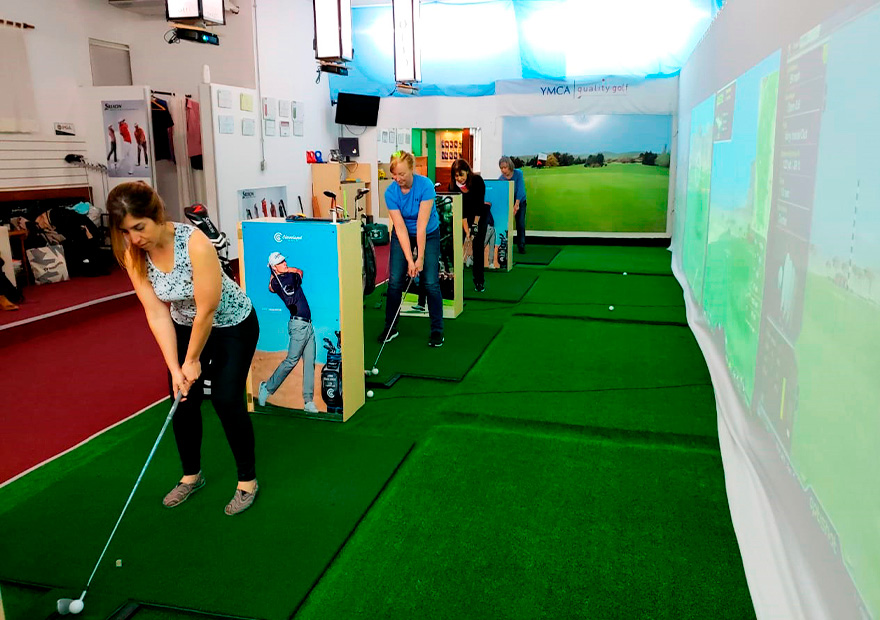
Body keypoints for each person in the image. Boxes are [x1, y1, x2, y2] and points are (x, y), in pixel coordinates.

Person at [107, 181, 260, 516]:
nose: (134, 238)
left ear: (156, 215)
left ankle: (247, 480)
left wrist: (192, 360)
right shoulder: (134, 254)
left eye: (139, 227)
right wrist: (176, 368)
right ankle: (192, 475)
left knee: (225, 398)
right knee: (183, 398)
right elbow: (156, 312)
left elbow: (207, 309)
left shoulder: (195, 244)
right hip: (183, 324)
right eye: (125, 231)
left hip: (232, 323)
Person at [381, 150, 444, 347]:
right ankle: (390, 328)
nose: (398, 178)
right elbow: (399, 228)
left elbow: (421, 226)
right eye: (394, 174)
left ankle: (437, 330)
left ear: (412, 169)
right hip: (403, 234)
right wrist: (410, 260)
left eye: (402, 174)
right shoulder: (390, 193)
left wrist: (420, 258)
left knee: (431, 282)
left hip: (428, 232)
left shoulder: (425, 186)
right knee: (395, 282)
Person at [258, 251, 318, 413]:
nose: (284, 263)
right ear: (274, 267)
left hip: (308, 325)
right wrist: (283, 271)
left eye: (284, 261)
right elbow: (299, 272)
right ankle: (267, 388)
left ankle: (308, 401)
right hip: (298, 326)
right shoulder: (288, 278)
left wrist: (275, 272)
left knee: (309, 362)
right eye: (280, 262)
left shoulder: (279, 280)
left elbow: (272, 287)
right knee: (291, 360)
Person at [448, 159, 491, 292]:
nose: (459, 178)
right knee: (456, 246)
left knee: (477, 247)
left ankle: (479, 281)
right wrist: (467, 231)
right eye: (456, 176)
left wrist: (475, 226)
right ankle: (452, 281)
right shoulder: (453, 187)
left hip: (480, 216)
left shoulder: (477, 181)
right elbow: (461, 211)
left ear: (467, 171)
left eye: (461, 174)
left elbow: (479, 204)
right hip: (463, 217)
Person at [499, 156, 528, 253]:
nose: (503, 170)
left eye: (505, 167)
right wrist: (510, 206)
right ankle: (505, 245)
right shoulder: (501, 179)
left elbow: (520, 189)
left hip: (520, 201)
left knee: (520, 223)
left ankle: (521, 245)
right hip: (508, 202)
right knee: (506, 223)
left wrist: (516, 204)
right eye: (501, 168)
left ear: (510, 166)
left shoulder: (518, 173)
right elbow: (502, 194)